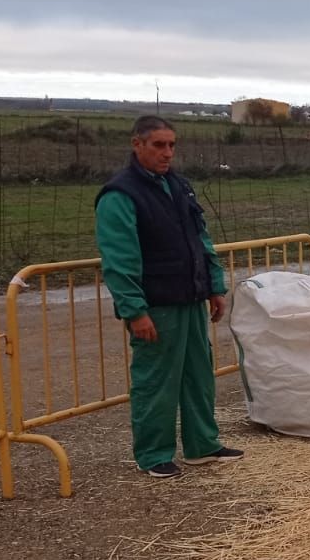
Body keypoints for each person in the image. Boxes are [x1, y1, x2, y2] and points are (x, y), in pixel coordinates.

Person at [94, 115, 243, 479]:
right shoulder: (120, 195)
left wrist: (214, 284)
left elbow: (200, 239)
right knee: (156, 382)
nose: (167, 153)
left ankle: (202, 445)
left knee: (198, 376)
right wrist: (134, 309)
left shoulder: (179, 186)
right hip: (156, 305)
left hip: (191, 298)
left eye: (172, 145)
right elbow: (119, 258)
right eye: (159, 145)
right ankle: (154, 454)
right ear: (137, 144)